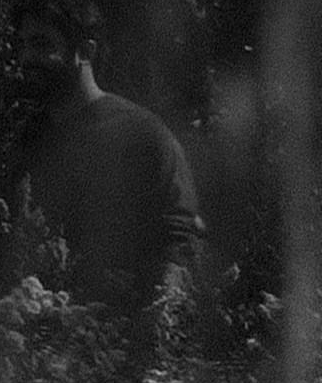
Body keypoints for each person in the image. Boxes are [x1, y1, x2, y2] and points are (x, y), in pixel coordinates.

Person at [19, 32, 203, 327]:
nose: (27, 58)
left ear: (85, 50)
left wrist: (159, 320)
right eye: (24, 45)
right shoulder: (32, 137)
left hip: (119, 336)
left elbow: (180, 238)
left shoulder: (142, 135)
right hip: (39, 336)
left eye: (42, 45)